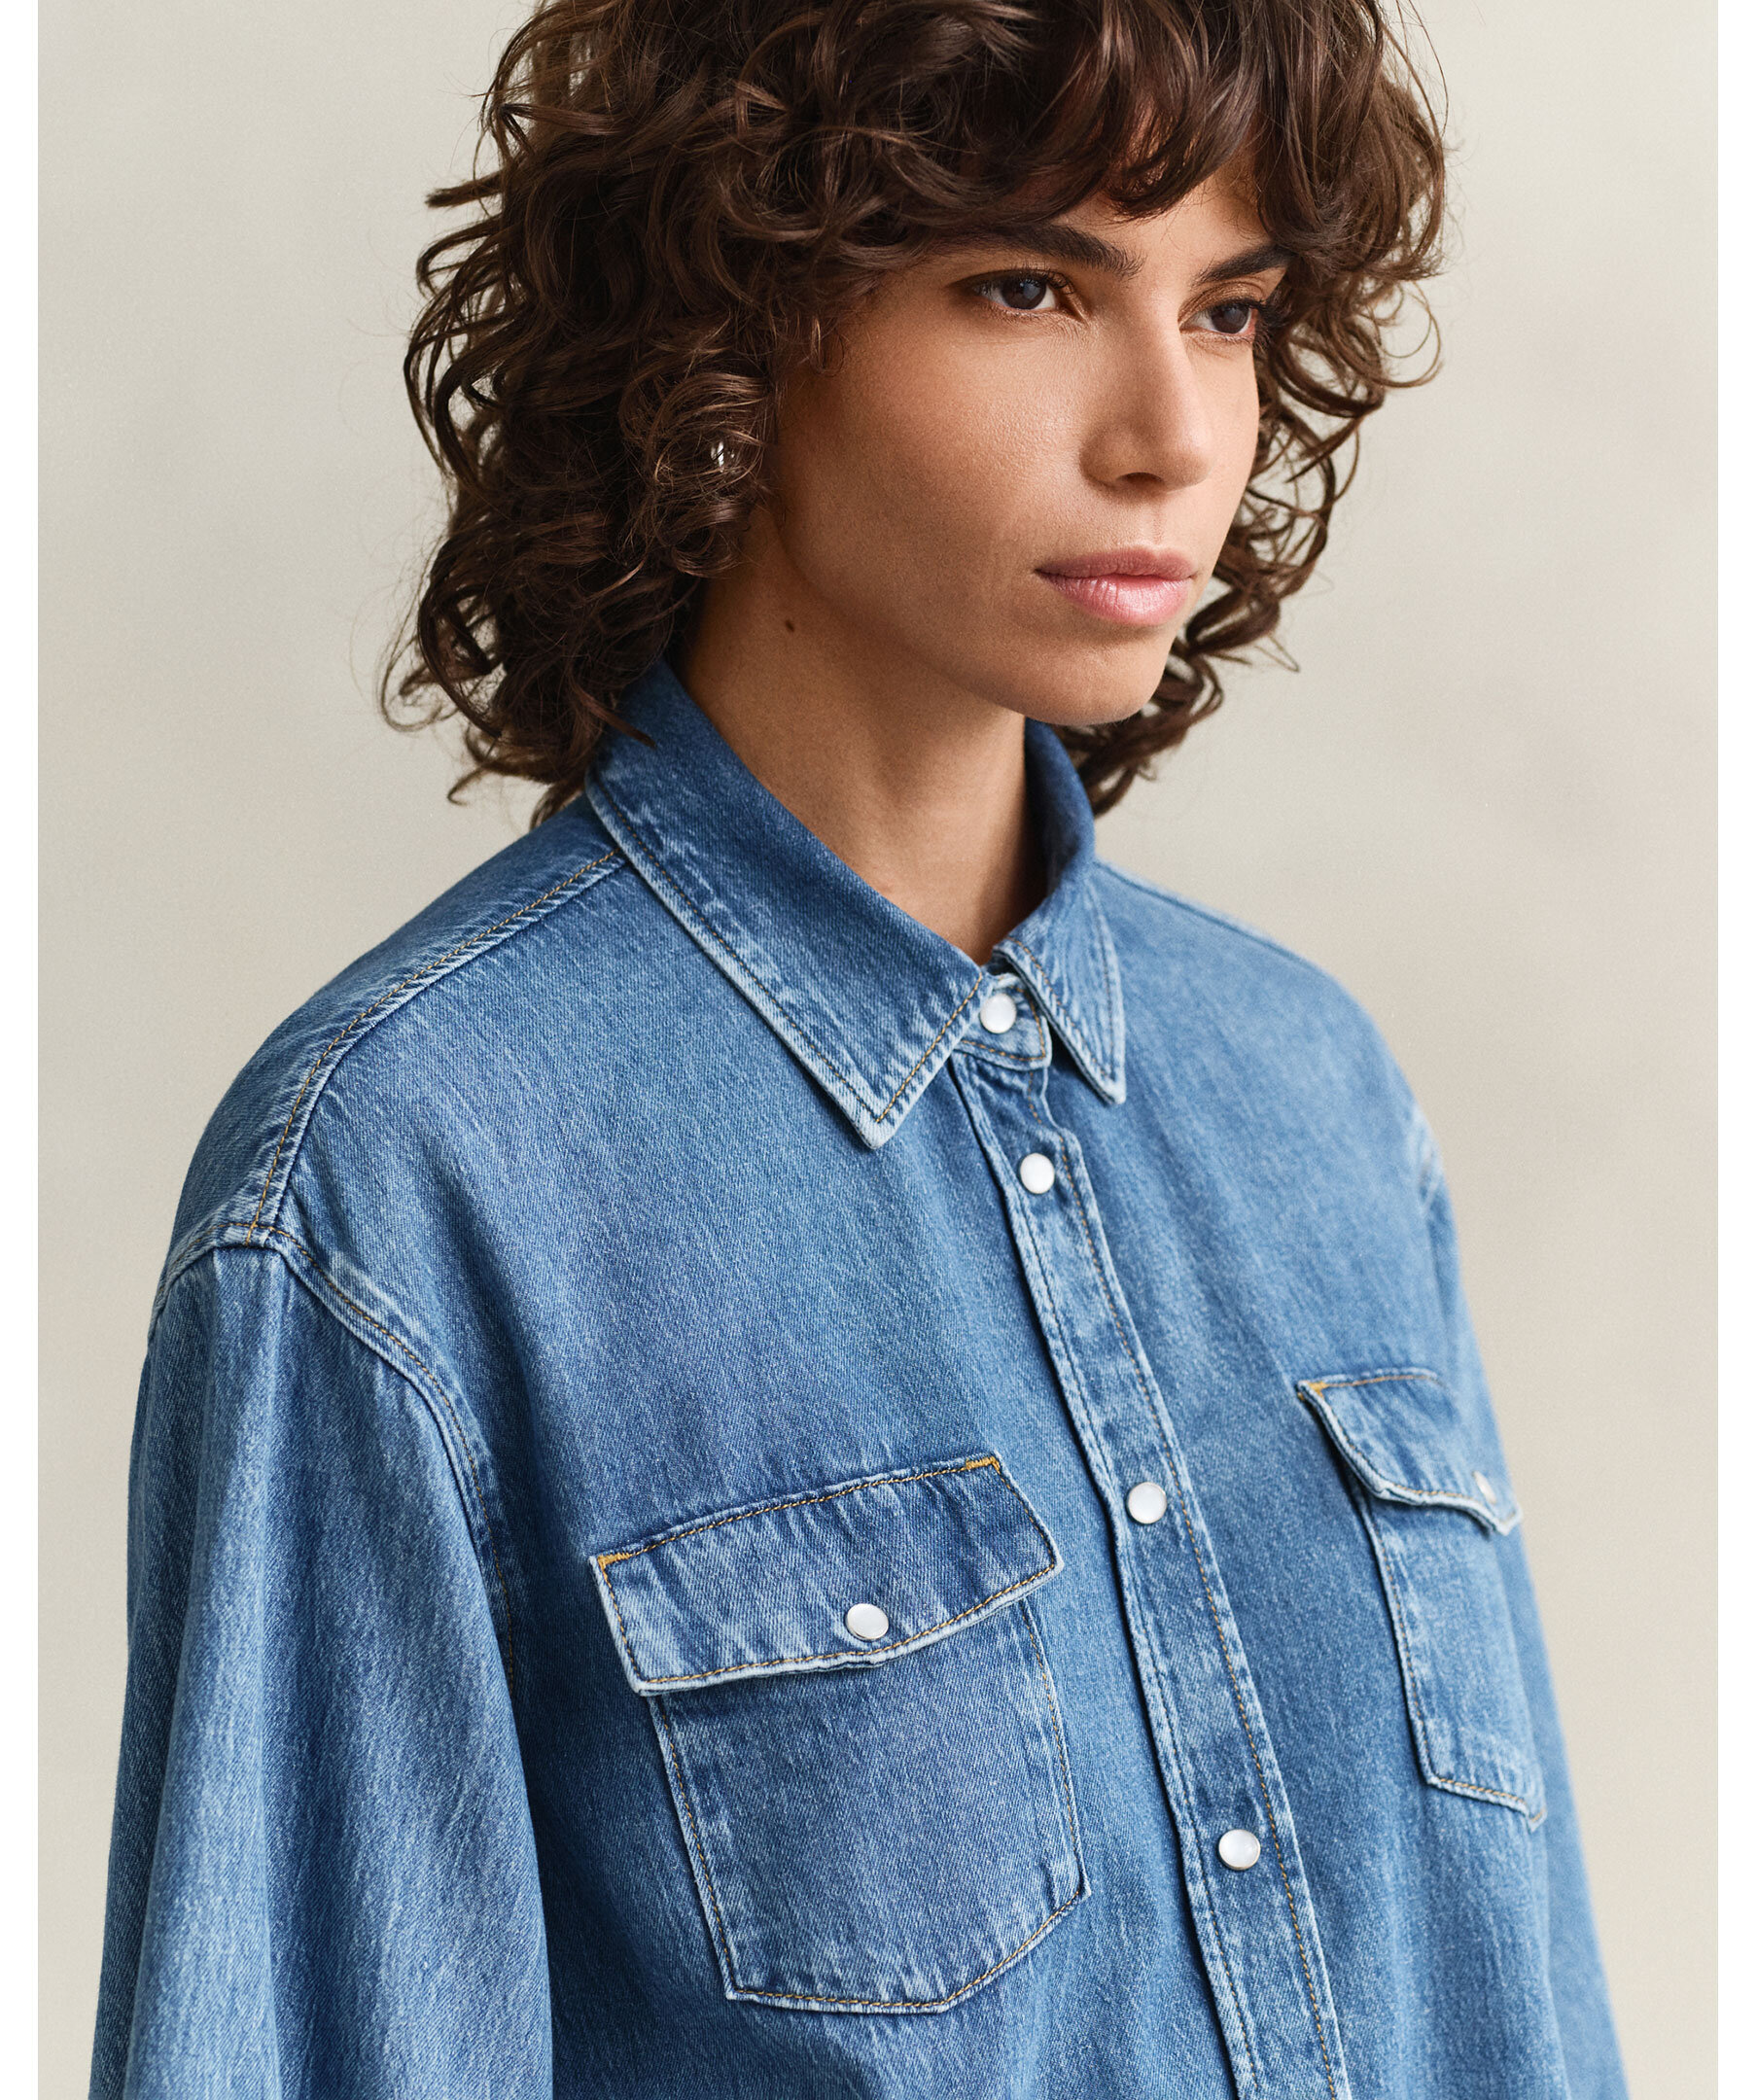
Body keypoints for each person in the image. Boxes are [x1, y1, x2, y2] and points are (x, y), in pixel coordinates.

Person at [89, 1, 1628, 2094]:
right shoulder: (409, 1180)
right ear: (732, 329)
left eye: (1231, 311)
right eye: (1029, 288)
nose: (1172, 434)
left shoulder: (1316, 1099)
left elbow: (1524, 2013)